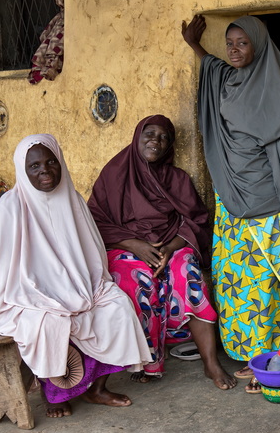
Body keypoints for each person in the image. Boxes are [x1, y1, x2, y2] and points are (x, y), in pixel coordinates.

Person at [181, 13, 280, 393]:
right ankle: (255, 356)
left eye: (242, 43)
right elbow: (211, 66)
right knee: (239, 283)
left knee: (276, 279)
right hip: (231, 201)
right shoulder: (224, 79)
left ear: (259, 46)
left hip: (267, 198)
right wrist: (195, 46)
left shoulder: (276, 87)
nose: (234, 50)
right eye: (229, 43)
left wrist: (276, 146)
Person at [0, 134, 151, 418]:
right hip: (27, 293)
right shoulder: (11, 208)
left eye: (51, 162)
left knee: (116, 305)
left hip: (78, 286)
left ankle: (97, 388)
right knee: (49, 321)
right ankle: (55, 395)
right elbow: (3, 271)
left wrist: (82, 288)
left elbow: (92, 255)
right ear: (23, 171)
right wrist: (45, 294)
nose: (44, 170)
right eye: (34, 166)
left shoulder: (72, 201)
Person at [88, 115, 235, 389]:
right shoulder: (114, 174)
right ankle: (147, 360)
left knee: (188, 272)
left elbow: (197, 220)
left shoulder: (177, 179)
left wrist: (169, 248)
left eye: (164, 137)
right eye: (150, 134)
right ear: (137, 136)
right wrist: (134, 245)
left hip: (171, 244)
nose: (156, 141)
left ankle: (210, 362)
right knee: (136, 278)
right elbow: (95, 221)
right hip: (125, 246)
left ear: (169, 146)